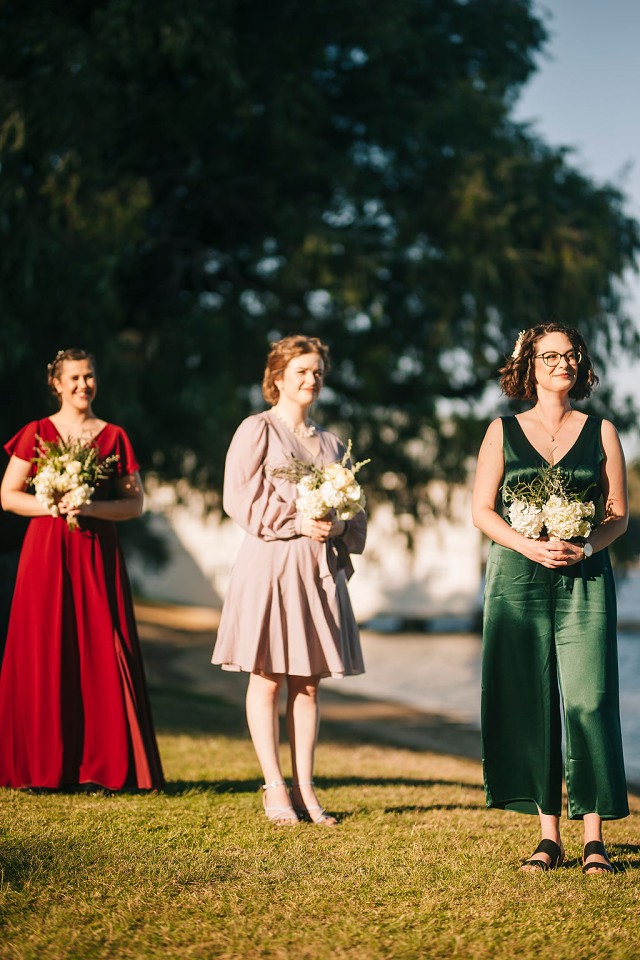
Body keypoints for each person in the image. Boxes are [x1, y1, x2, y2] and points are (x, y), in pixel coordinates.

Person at [472, 323, 628, 874]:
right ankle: (548, 837)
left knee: (589, 699)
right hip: (517, 578)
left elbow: (618, 516)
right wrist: (528, 546)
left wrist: (584, 545)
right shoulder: (501, 431)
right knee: (531, 700)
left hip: (585, 579)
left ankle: (594, 839)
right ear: (530, 367)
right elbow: (482, 511)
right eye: (551, 356)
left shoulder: (603, 431)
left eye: (571, 355)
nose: (563, 363)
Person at [212, 334, 366, 825]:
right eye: (302, 371)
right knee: (266, 678)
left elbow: (356, 510)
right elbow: (237, 497)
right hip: (270, 567)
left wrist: (336, 526)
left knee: (309, 684)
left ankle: (306, 789)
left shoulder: (333, 443)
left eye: (317, 371)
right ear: (277, 377)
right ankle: (274, 788)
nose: (311, 379)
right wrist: (297, 520)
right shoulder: (256, 429)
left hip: (317, 571)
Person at [0, 348, 164, 792]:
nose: (82, 385)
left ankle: (102, 766)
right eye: (73, 378)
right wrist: (51, 505)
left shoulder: (114, 437)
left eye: (88, 376)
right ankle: (41, 767)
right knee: (44, 646)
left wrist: (89, 506)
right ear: (56, 384)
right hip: (46, 551)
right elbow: (8, 496)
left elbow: (133, 504)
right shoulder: (36, 432)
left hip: (96, 553)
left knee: (99, 647)